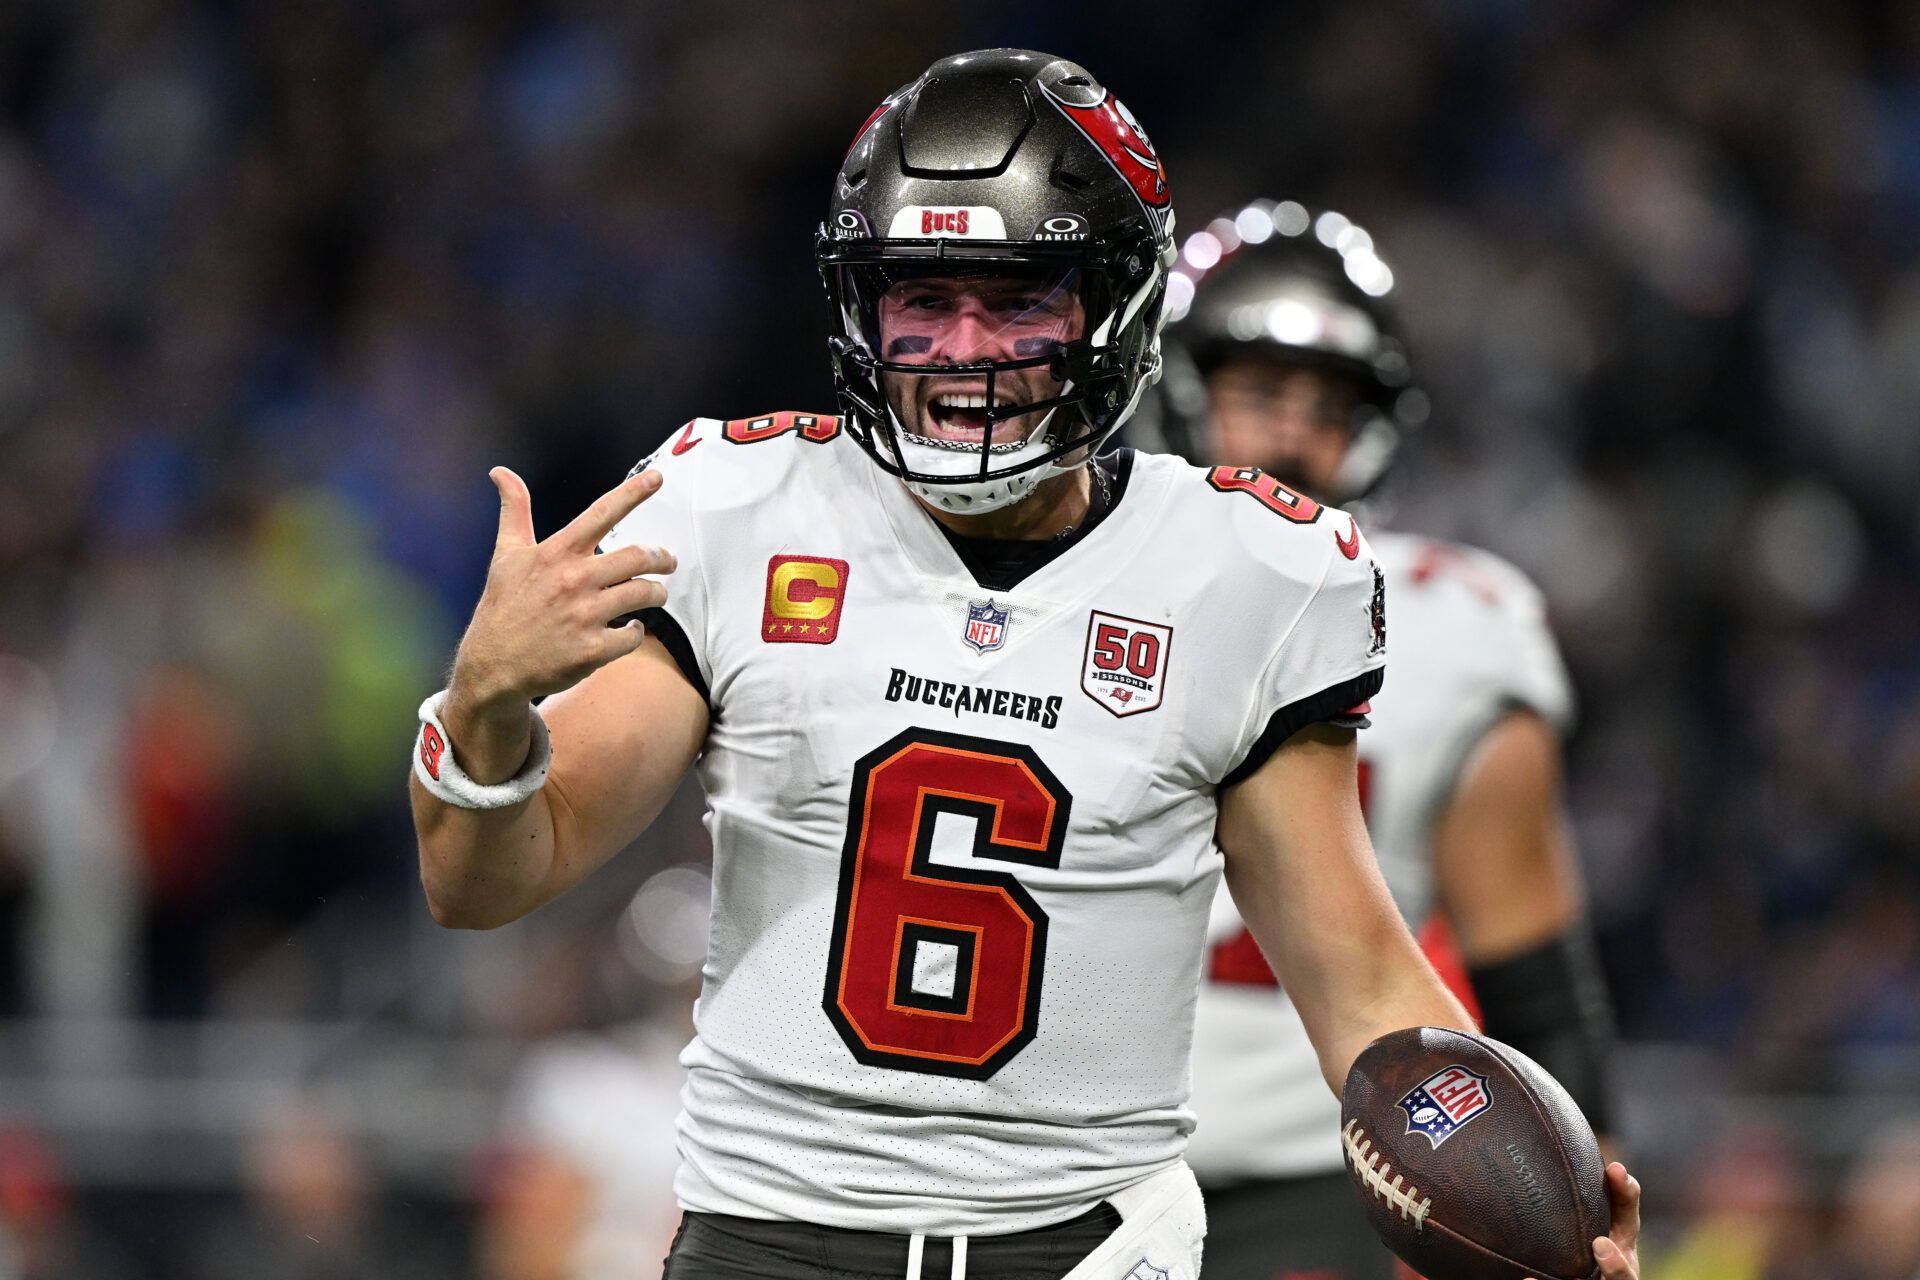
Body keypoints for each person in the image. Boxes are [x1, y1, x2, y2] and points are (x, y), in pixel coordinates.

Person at [411, 53, 1643, 1280]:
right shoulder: (740, 506)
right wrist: (485, 710)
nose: (961, 349)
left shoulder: (1242, 570)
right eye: (920, 297)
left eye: (1016, 300)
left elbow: (1366, 992)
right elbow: (487, 879)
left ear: (1113, 309)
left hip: (1084, 1249)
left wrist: (1550, 1224)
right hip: (768, 1235)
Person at [1148, 201, 1621, 1280]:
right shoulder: (1064, 589)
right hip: (1072, 1162)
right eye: (1260, 393)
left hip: (1331, 1180)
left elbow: (1538, 986)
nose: (1289, 436)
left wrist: (1577, 1211)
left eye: (1328, 404)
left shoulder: (1459, 632)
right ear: (1179, 383)